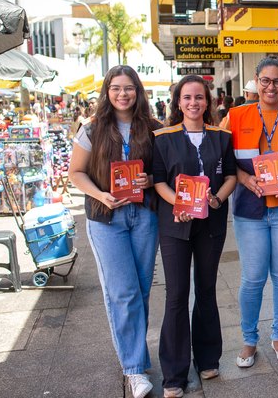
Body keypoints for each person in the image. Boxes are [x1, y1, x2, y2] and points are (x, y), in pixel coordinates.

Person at [69, 65, 162, 398]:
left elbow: (162, 172)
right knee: (122, 292)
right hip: (106, 218)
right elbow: (76, 173)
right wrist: (100, 195)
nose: (123, 94)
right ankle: (135, 369)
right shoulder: (92, 129)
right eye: (116, 88)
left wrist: (150, 180)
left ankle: (135, 354)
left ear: (138, 91)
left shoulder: (153, 128)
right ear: (107, 92)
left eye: (129, 88)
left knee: (141, 289)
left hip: (144, 216)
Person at [222, 56, 278, 369]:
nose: (271, 86)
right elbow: (221, 160)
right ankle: (249, 340)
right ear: (256, 82)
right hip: (250, 210)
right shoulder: (235, 116)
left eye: (277, 81)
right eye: (265, 80)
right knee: (252, 278)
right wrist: (246, 180)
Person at [152, 75, 237, 397]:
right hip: (175, 226)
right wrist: (180, 202)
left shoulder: (222, 137)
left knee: (206, 290)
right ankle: (174, 374)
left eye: (199, 97)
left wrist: (217, 198)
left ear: (208, 102)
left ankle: (207, 359)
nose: (193, 103)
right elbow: (159, 181)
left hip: (211, 224)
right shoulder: (163, 138)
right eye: (187, 97)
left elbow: (230, 175)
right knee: (176, 296)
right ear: (177, 102)